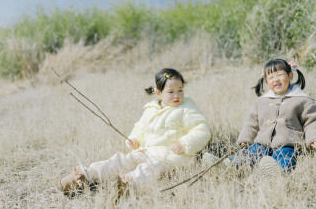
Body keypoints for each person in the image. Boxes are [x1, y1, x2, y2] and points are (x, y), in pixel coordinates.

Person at [58, 68, 211, 196]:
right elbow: (141, 127)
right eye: (171, 91)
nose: (177, 95)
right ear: (158, 93)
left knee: (148, 170)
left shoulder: (186, 108)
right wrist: (135, 138)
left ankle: (127, 183)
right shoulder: (152, 108)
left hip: (168, 157)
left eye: (180, 90)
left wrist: (183, 144)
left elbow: (202, 129)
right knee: (121, 160)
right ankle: (86, 175)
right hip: (147, 151)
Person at [203, 59, 316, 179]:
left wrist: (314, 138)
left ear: (290, 76)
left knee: (285, 157)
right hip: (262, 143)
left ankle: (277, 173)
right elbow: (251, 122)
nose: (276, 79)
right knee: (250, 154)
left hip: (288, 143)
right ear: (266, 82)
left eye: (280, 75)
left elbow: (313, 121)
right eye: (271, 77)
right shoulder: (261, 101)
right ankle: (227, 166)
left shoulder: (302, 100)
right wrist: (246, 138)